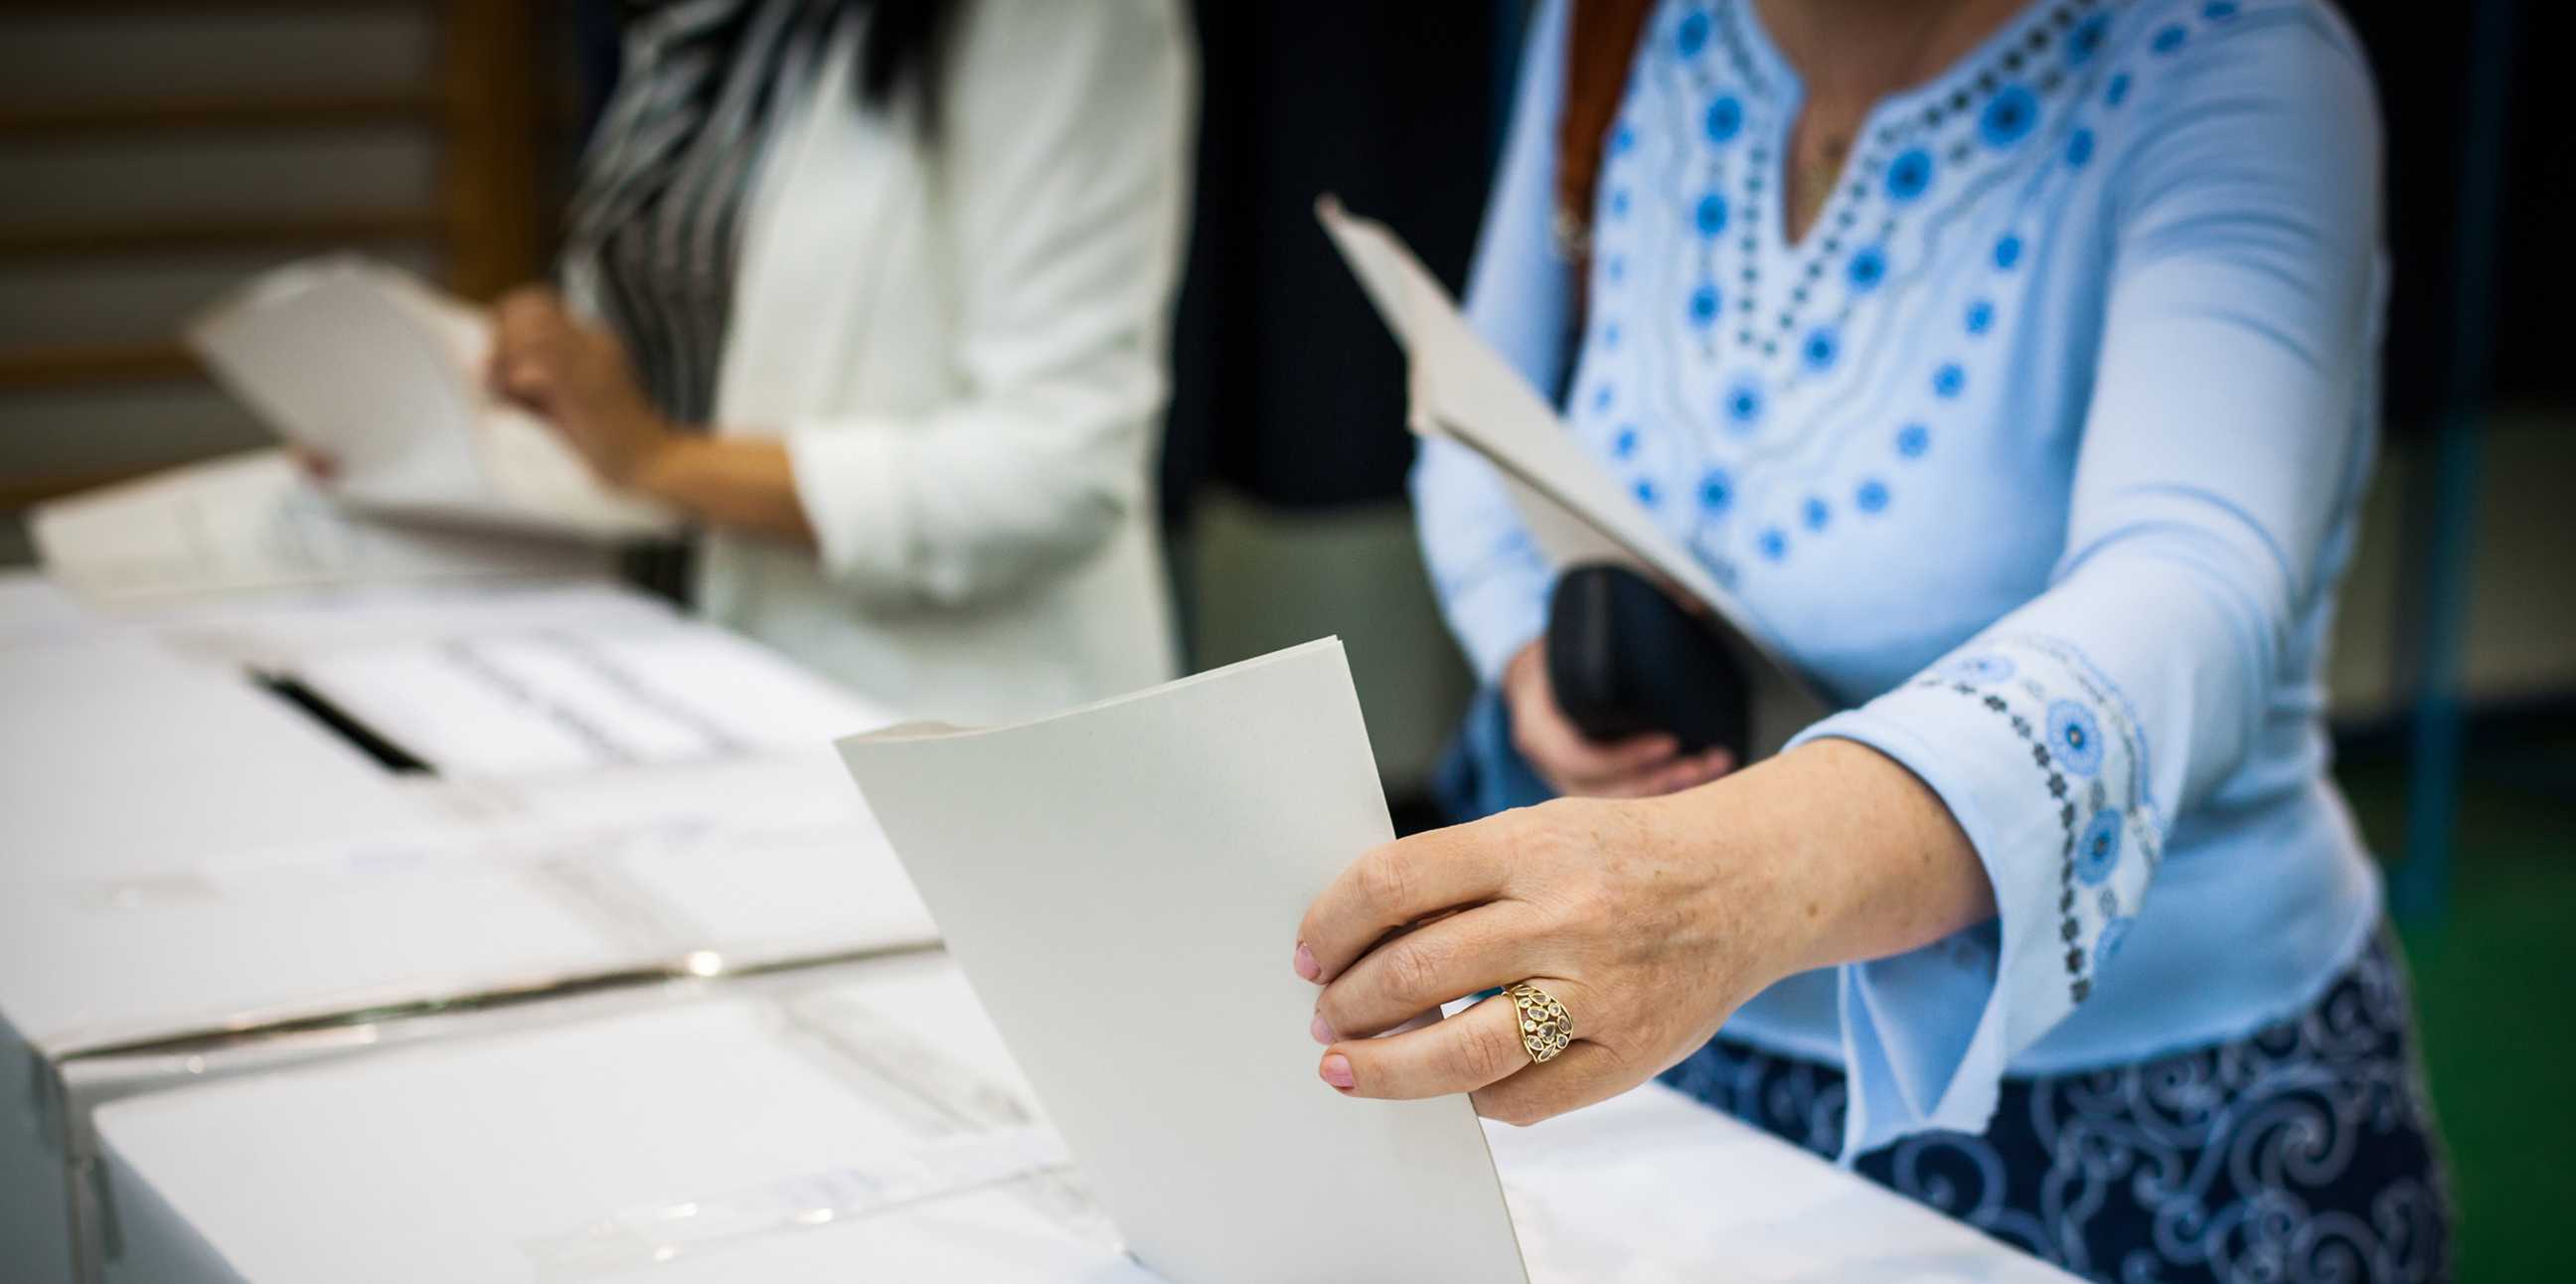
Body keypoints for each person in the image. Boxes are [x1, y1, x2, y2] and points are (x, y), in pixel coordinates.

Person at [1300, 0, 2449, 1279]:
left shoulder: (2234, 57)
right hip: (1665, 1068)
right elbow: (1473, 400)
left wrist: (1719, 885)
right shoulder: (1617, 26)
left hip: (2136, 1114)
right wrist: (1531, 656)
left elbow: (2196, 581)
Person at [486, 0, 1195, 723]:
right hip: (668, 665)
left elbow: (1059, 468)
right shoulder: (703, 24)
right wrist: (561, 361)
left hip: (937, 716)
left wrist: (659, 459)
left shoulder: (1063, 21)